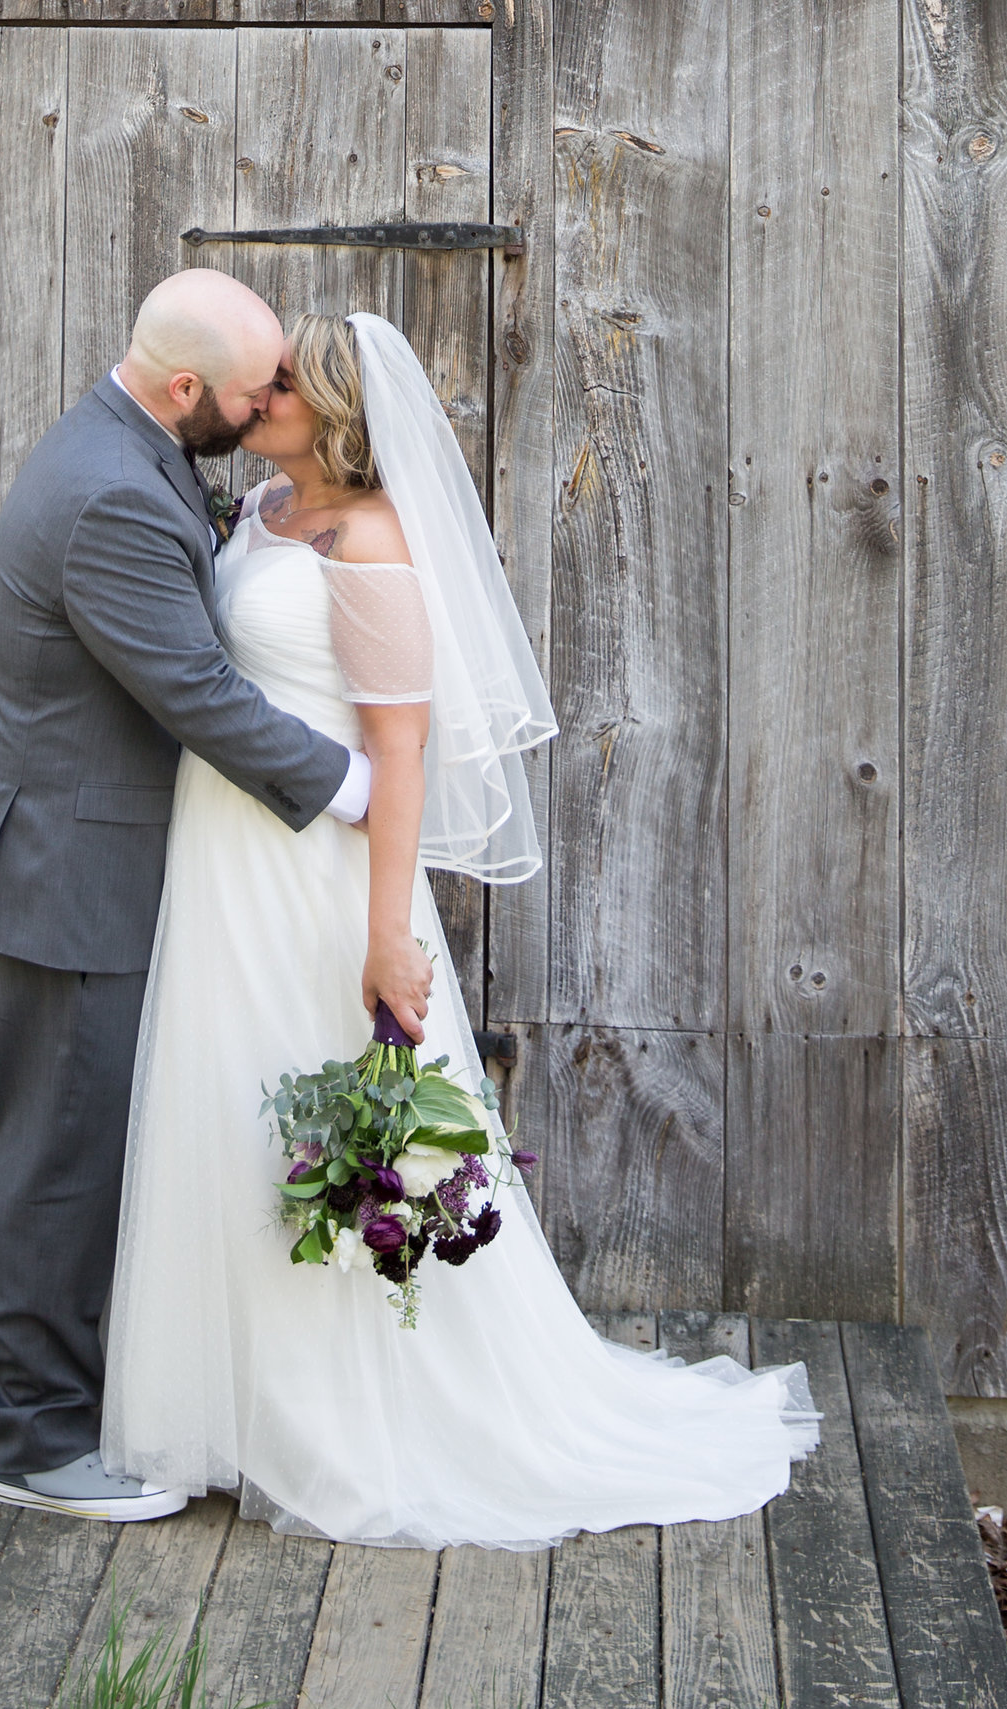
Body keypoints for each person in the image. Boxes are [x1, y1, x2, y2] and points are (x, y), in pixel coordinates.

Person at [102, 307, 817, 1547]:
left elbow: (401, 753)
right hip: (222, 862)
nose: (253, 401)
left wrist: (389, 938)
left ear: (331, 414)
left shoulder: (373, 545)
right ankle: (237, 1410)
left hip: (315, 885)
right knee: (225, 1117)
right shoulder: (264, 516)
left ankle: (344, 1427)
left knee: (317, 1124)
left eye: (277, 390)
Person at [0, 269, 419, 1524]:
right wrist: (357, 788)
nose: (268, 406)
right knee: (58, 1158)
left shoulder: (133, 446)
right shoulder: (110, 494)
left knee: (77, 1146)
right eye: (254, 387)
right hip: (65, 871)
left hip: (87, 857)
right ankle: (30, 1443)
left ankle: (63, 1403)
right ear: (188, 386)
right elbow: (196, 693)